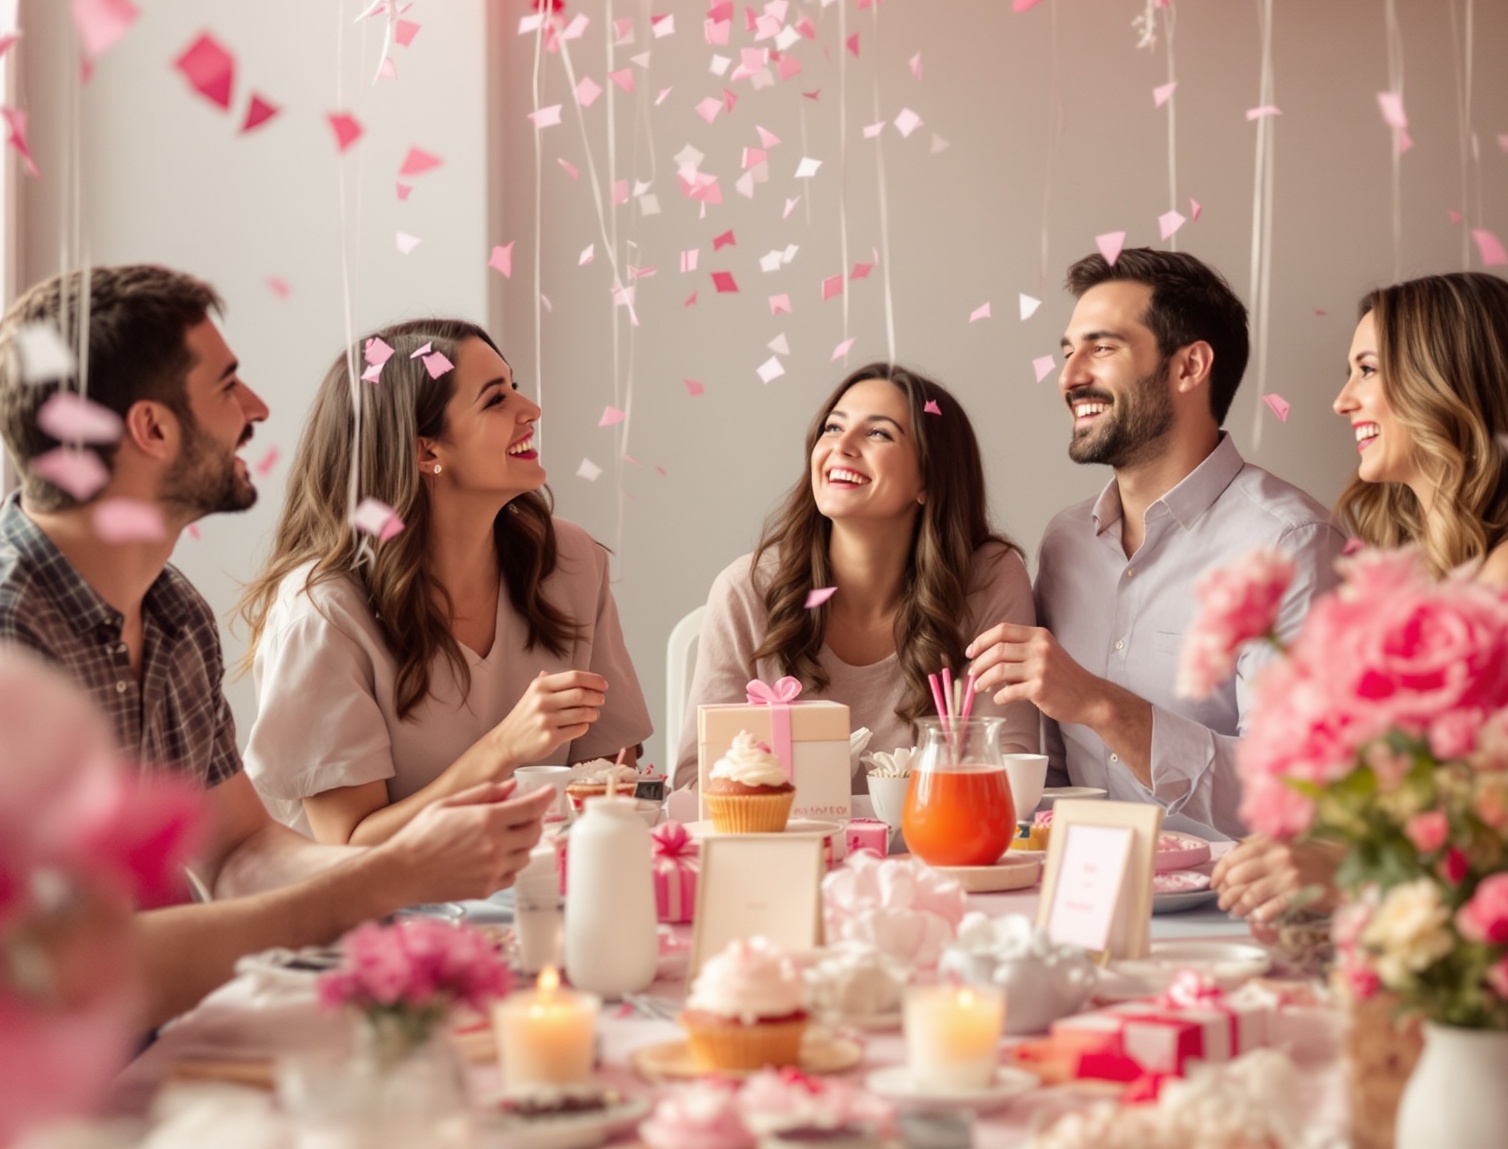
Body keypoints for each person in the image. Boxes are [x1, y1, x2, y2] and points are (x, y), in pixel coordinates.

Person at [0, 267, 550, 1025]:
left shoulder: (172, 614)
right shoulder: (12, 647)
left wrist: (422, 872)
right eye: (228, 387)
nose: (256, 409)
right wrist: (387, 876)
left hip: (161, 1054)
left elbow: (239, 853)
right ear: (152, 429)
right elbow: (70, 969)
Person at [966, 247, 1341, 843]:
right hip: (1077, 902)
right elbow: (1063, 770)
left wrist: (1103, 705)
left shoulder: (1291, 546)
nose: (1069, 378)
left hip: (1231, 920)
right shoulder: (1066, 543)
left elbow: (1297, 799)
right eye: (1067, 353)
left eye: (1102, 348)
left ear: (1189, 366)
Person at [243, 316, 650, 843]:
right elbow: (347, 844)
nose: (532, 412)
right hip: (394, 918)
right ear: (425, 450)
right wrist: (502, 750)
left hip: (551, 896)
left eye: (515, 388)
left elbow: (613, 778)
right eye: (495, 399)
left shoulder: (570, 562)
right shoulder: (321, 613)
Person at [1216, 270, 1508, 927]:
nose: (1342, 401)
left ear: (1449, 378)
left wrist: (1344, 866)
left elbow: (1499, 824)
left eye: (1367, 369)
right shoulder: (1404, 569)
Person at [673, 361, 1037, 789]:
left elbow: (1007, 770)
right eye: (832, 428)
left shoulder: (987, 580)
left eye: (878, 432)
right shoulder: (746, 591)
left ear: (928, 477)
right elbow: (695, 783)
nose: (841, 446)